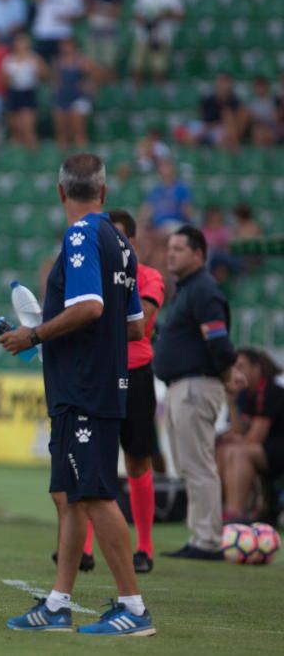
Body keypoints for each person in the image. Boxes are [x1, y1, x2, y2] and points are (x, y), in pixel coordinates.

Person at [0, 153, 154, 635]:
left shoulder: (82, 234)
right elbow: (133, 327)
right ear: (104, 193)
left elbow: (88, 307)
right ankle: (58, 602)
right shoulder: (122, 243)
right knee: (71, 495)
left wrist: (36, 335)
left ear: (61, 192)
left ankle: (133, 607)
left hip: (84, 387)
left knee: (94, 494)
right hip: (96, 381)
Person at [82, 210, 165, 574]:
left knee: (137, 460)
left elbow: (141, 323)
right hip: (99, 372)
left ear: (130, 241)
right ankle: (85, 548)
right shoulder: (91, 278)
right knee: (93, 458)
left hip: (135, 374)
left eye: (117, 240)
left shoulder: (148, 277)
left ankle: (143, 547)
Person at [154, 226, 243, 559]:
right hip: (182, 387)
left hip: (196, 385)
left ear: (198, 254)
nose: (170, 253)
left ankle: (207, 540)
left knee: (199, 463)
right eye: (169, 248)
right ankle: (199, 536)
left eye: (179, 248)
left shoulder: (204, 290)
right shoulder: (189, 290)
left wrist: (227, 369)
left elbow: (218, 341)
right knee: (189, 464)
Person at [220, 349, 284, 522]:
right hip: (262, 450)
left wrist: (236, 437)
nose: (237, 372)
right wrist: (231, 403)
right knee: (224, 449)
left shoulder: (270, 391)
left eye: (241, 366)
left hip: (277, 449)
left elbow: (255, 437)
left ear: (256, 369)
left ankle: (235, 513)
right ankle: (224, 508)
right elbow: (238, 430)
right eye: (234, 367)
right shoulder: (244, 394)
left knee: (239, 452)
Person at [129, 0, 182, 85]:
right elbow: (136, 14)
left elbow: (179, 15)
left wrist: (164, 15)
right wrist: (147, 23)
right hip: (143, 36)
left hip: (162, 36)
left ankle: (158, 97)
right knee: (137, 67)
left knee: (159, 70)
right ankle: (137, 98)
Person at [3, 32, 45, 149]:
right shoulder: (9, 60)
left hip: (28, 93)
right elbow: (4, 80)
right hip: (14, 93)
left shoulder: (34, 58)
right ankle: (18, 160)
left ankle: (34, 156)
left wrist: (38, 68)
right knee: (16, 130)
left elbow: (44, 75)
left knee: (28, 129)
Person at [51, 39, 94, 151]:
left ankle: (84, 157)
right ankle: (64, 160)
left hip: (77, 98)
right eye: (64, 46)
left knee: (78, 133)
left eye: (69, 45)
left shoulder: (81, 61)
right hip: (62, 98)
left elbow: (92, 76)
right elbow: (55, 81)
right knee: (62, 133)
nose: (66, 48)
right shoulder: (57, 62)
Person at [31, 0, 84, 64]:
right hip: (43, 33)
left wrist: (68, 17)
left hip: (63, 35)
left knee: (61, 65)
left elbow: (79, 13)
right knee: (41, 64)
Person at [85, 0, 123, 81]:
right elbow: (89, 10)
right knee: (92, 62)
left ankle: (107, 85)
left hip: (109, 31)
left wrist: (99, 8)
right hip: (94, 30)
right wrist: (107, 9)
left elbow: (116, 12)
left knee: (108, 63)